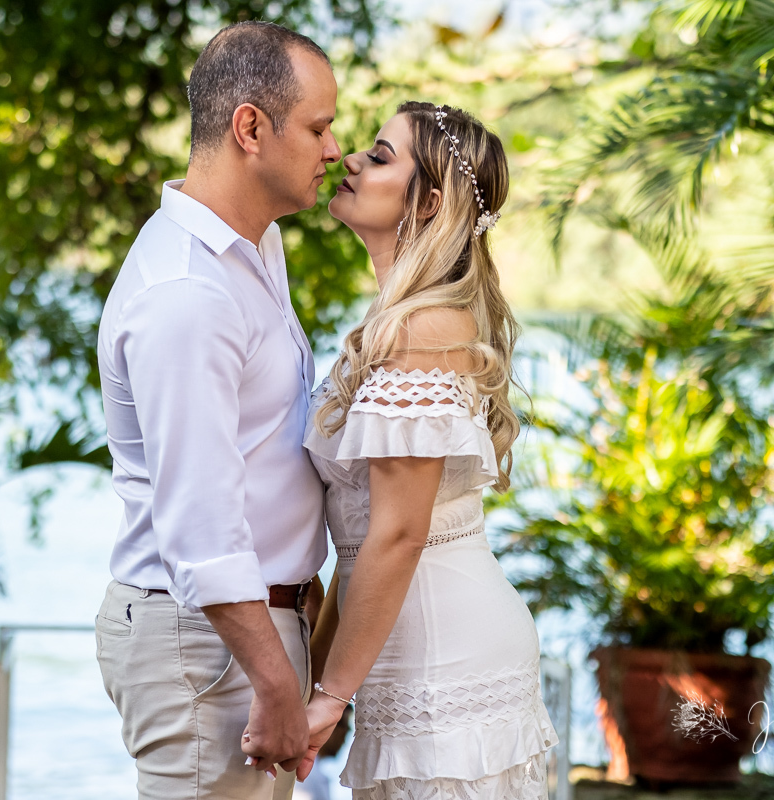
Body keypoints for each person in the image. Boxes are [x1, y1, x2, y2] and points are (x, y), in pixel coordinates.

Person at [93, 21, 341, 800]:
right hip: (209, 645)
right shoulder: (188, 294)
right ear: (250, 128)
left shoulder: (254, 251)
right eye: (319, 127)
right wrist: (273, 684)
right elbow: (201, 525)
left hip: (246, 636)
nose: (334, 149)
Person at [298, 102, 558, 798]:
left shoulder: (425, 328)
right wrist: (314, 681)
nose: (350, 158)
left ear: (430, 201)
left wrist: (329, 698)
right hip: (402, 671)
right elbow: (355, 554)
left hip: (449, 673)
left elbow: (400, 532)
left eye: (381, 156)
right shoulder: (396, 321)